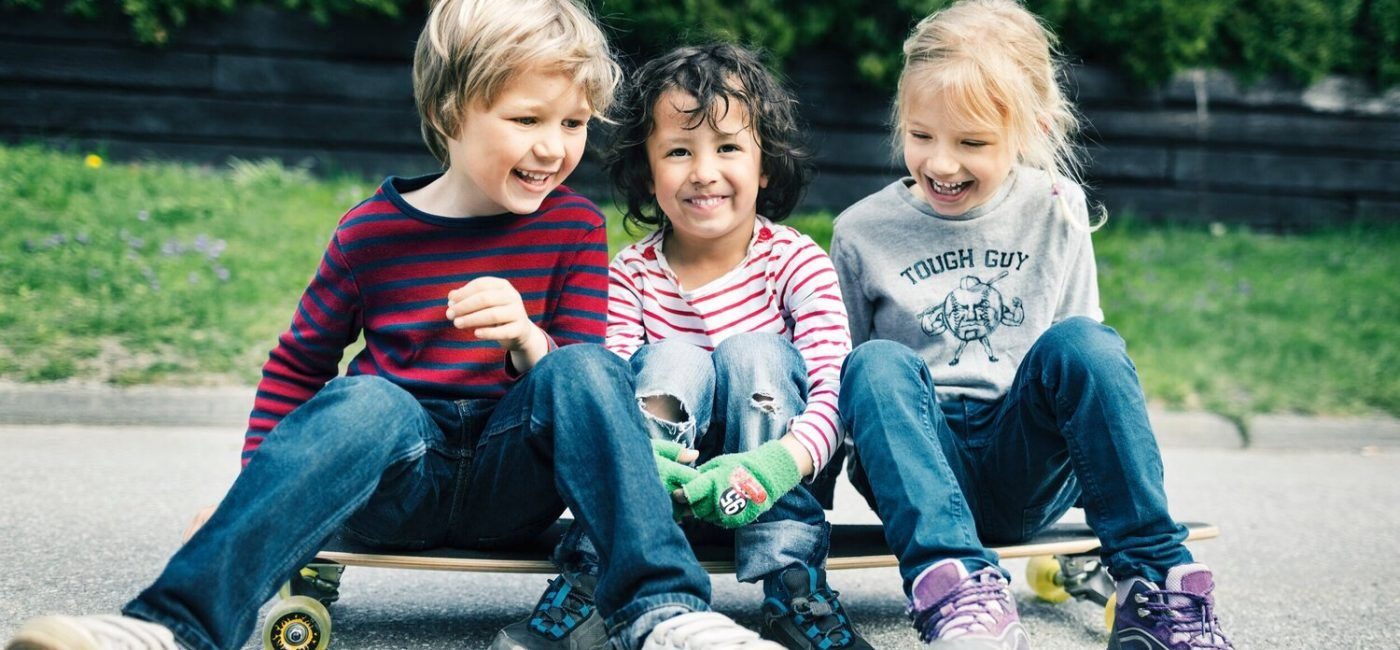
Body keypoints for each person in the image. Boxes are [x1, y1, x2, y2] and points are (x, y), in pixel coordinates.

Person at [5, 2, 784, 649]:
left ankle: (664, 612)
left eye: (574, 122)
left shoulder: (573, 228)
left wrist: (525, 340)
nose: (555, 147)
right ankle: (173, 627)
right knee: (367, 397)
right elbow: (296, 367)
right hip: (397, 480)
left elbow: (588, 384)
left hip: (517, 475)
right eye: (526, 118)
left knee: (586, 369)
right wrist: (251, 487)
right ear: (451, 111)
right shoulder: (368, 234)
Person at [829, 1, 1234, 648]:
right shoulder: (860, 231)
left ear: (1030, 129)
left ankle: (1156, 586)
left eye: (972, 143)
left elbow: (1081, 377)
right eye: (921, 135)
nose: (940, 163)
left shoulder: (1056, 209)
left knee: (1086, 344)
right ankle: (958, 590)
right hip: (917, 457)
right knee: (872, 364)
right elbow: (835, 387)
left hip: (1027, 462)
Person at [504, 43, 869, 650]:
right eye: (678, 151)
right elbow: (608, 395)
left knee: (757, 351)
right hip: (658, 499)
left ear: (765, 165)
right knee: (672, 358)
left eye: (728, 147)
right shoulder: (630, 273)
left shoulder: (796, 261)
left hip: (769, 488)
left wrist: (774, 467)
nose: (703, 171)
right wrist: (644, 471)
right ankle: (597, 571)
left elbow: (835, 388)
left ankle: (792, 581)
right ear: (649, 173)